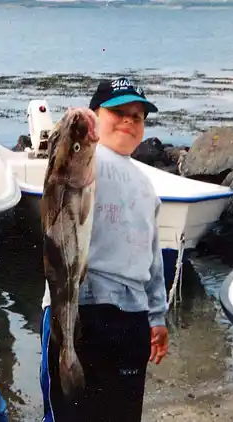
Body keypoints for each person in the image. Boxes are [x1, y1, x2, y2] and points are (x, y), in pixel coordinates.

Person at [39, 77, 170, 422]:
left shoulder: (146, 185)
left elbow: (153, 255)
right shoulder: (85, 160)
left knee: (122, 412)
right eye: (118, 112)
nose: (128, 121)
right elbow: (58, 154)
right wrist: (73, 125)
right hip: (82, 306)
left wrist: (157, 316)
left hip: (132, 318)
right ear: (96, 118)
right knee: (71, 412)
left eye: (137, 116)